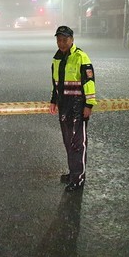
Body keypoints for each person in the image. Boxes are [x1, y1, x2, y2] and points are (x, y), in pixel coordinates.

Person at [49, 25, 97, 192]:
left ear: (72, 40)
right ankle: (73, 172)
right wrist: (54, 100)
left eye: (65, 40)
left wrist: (88, 105)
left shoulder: (80, 57)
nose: (61, 43)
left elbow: (89, 82)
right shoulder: (56, 59)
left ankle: (78, 178)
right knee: (68, 142)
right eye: (59, 40)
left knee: (78, 143)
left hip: (78, 106)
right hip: (64, 106)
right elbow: (56, 83)